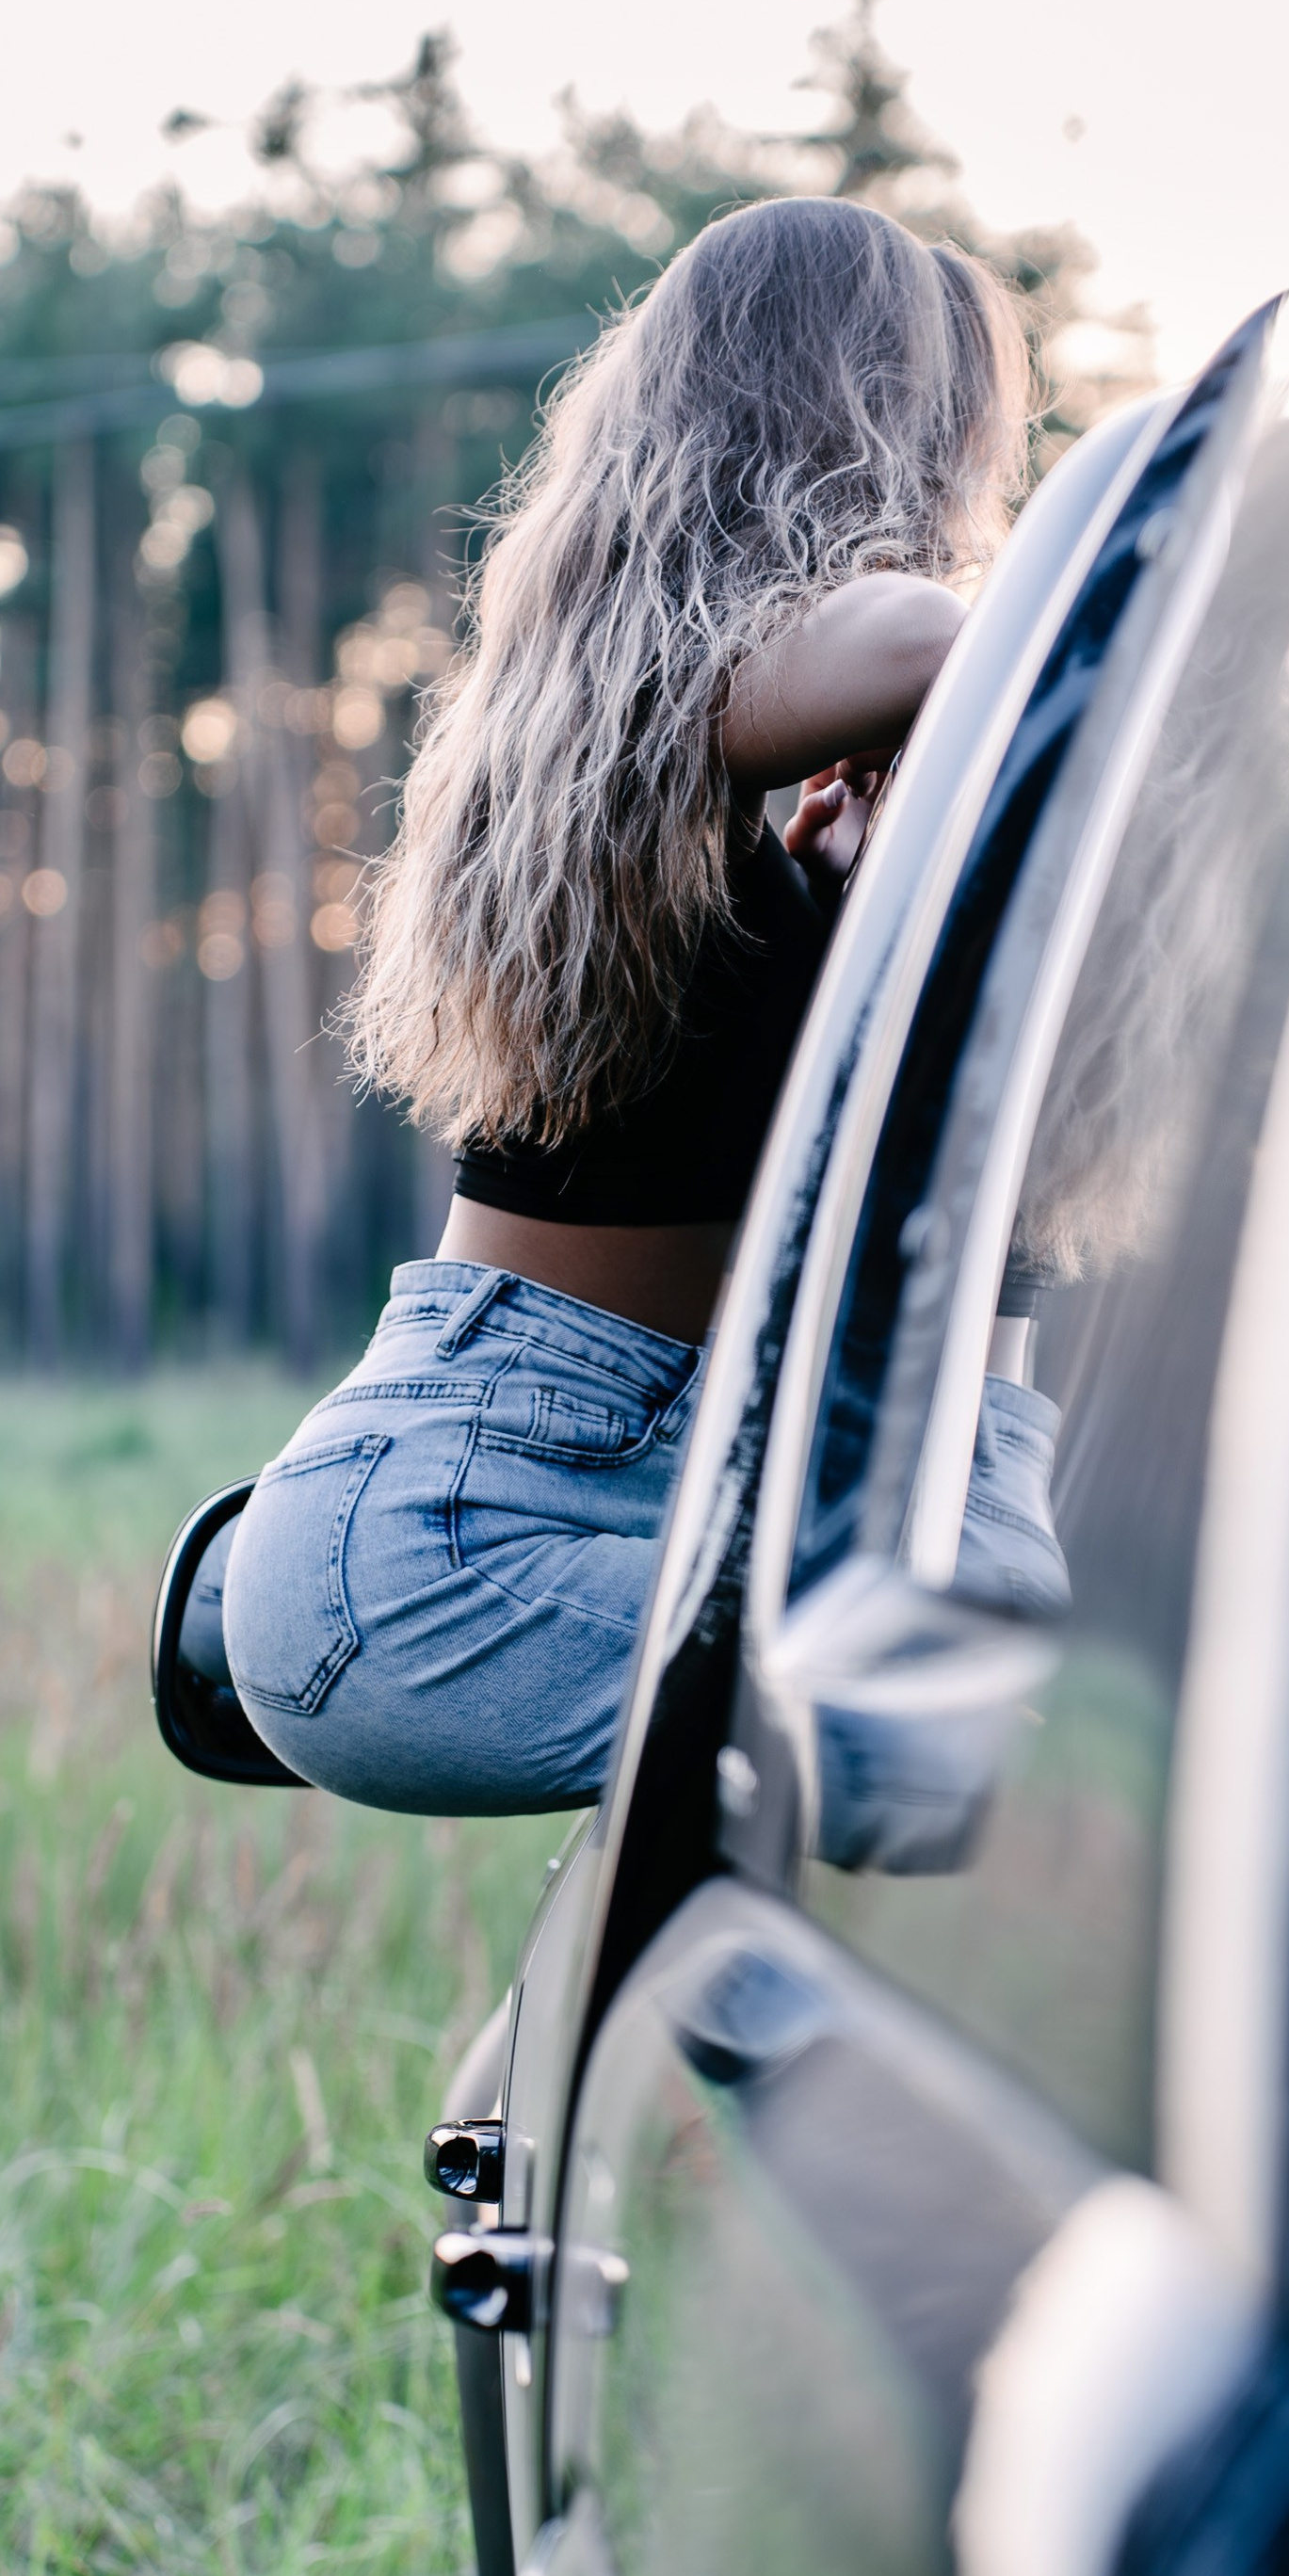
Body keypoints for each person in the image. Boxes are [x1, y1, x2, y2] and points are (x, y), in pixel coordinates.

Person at [218, 195, 1036, 1812]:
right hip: (466, 1533)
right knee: (1004, 1768)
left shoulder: (657, 761)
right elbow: (942, 633)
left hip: (548, 1488)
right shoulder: (680, 697)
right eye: (965, 446)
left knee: (924, 1807)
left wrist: (866, 874)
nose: (974, 495)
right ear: (863, 426)